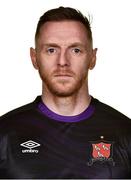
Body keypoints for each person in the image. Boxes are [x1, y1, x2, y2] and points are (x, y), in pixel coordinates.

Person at [0, 6, 131, 179]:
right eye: (51, 50)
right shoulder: (4, 133)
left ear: (92, 58)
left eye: (75, 50)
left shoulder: (125, 132)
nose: (62, 62)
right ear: (34, 58)